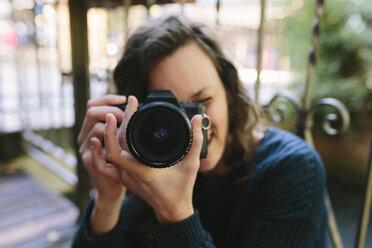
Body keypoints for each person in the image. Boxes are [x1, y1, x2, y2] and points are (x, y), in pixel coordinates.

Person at [72, 15, 327, 248]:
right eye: (168, 113)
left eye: (203, 101)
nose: (193, 124)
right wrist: (108, 200)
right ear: (134, 122)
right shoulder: (149, 170)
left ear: (229, 92)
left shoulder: (292, 168)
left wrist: (175, 212)